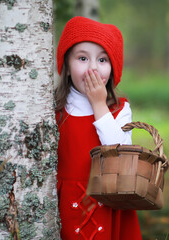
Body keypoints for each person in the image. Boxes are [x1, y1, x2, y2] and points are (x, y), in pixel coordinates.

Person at [55, 16, 142, 240]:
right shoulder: (54, 109)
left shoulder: (119, 110)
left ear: (112, 70)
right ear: (66, 67)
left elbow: (121, 158)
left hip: (107, 205)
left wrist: (98, 105)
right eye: (83, 58)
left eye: (102, 60)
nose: (93, 68)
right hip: (63, 205)